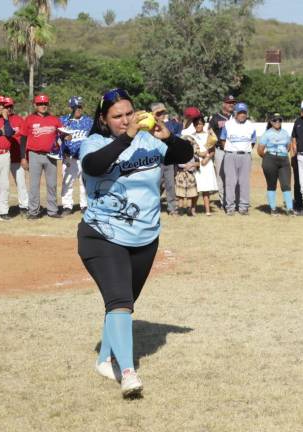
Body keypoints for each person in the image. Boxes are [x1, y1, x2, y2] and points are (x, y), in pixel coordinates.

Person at [78, 88, 193, 398]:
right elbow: (94, 166)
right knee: (119, 301)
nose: (126, 120)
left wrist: (167, 136)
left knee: (123, 303)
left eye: (129, 113)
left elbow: (185, 155)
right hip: (102, 234)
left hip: (145, 236)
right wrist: (126, 137)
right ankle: (128, 372)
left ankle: (105, 360)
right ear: (103, 119)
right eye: (117, 116)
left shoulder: (149, 140)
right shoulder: (94, 143)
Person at [23, 94, 63, 219]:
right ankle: (33, 211)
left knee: (52, 184)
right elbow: (23, 138)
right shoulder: (29, 119)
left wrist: (67, 136)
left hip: (51, 155)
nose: (43, 106)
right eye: (40, 104)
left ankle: (52, 210)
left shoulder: (54, 119)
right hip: (34, 154)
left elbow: (62, 134)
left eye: (45, 103)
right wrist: (23, 157)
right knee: (34, 185)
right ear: (35, 105)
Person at [220, 102, 256, 215]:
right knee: (230, 182)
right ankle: (230, 207)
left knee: (244, 182)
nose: (242, 115)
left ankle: (243, 207)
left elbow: (253, 141)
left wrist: (245, 150)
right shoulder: (228, 124)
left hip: (245, 155)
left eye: (244, 112)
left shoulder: (251, 125)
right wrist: (230, 150)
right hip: (231, 155)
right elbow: (222, 140)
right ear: (235, 113)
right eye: (240, 112)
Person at [60, 96, 93, 215]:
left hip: (85, 157)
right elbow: (57, 138)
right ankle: (67, 206)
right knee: (67, 182)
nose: (78, 109)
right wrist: (63, 138)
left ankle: (84, 205)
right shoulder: (64, 120)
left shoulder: (89, 121)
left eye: (80, 106)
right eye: (75, 107)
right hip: (69, 158)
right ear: (71, 108)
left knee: (85, 183)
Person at [256, 112, 293, 215]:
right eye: (275, 120)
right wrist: (268, 158)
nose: (277, 122)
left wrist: (282, 154)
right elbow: (260, 150)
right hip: (270, 159)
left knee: (286, 185)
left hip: (284, 159)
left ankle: (290, 209)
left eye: (279, 120)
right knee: (271, 185)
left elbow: (288, 146)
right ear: (271, 122)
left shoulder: (285, 133)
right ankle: (273, 209)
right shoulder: (267, 133)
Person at [184, 116, 218, 216]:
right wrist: (197, 157)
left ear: (203, 124)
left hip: (207, 164)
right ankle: (192, 209)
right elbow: (190, 151)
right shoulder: (191, 137)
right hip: (196, 164)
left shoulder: (209, 136)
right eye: (196, 124)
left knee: (206, 188)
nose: (198, 126)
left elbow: (212, 150)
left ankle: (207, 210)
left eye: (200, 124)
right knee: (196, 188)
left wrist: (207, 159)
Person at [150, 103, 179, 215]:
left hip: (168, 158)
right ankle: (153, 207)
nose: (162, 115)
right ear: (153, 114)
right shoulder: (148, 126)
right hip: (155, 159)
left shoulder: (169, 125)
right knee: (155, 184)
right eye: (159, 113)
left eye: (163, 112)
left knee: (170, 184)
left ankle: (172, 208)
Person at [209, 95, 235, 209]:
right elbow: (210, 135)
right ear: (223, 104)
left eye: (233, 102)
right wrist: (211, 150)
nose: (231, 104)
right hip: (220, 150)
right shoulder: (216, 118)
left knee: (234, 176)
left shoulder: (237, 117)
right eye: (229, 102)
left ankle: (233, 200)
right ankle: (223, 201)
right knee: (221, 176)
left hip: (234, 150)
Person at [4, 97, 28, 215]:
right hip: (2, 157)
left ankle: (24, 205)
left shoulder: (19, 119)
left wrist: (24, 156)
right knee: (2, 184)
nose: (8, 108)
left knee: (21, 183)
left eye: (10, 106)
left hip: (16, 156)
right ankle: (1, 207)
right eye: (6, 106)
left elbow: (24, 138)